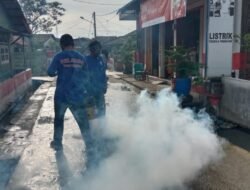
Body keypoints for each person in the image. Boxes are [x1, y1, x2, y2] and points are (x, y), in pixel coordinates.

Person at [47, 34, 92, 152]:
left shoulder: (58, 56)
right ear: (73, 44)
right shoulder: (81, 57)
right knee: (83, 121)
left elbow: (50, 72)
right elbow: (86, 77)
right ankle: (90, 145)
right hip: (78, 95)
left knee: (59, 120)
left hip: (61, 95)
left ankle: (57, 143)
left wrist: (58, 72)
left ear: (61, 45)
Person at [86, 40, 108, 117]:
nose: (98, 50)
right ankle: (92, 128)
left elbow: (103, 74)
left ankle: (102, 128)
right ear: (91, 49)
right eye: (96, 48)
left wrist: (105, 85)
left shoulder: (101, 59)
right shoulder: (85, 60)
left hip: (100, 92)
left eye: (99, 48)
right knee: (91, 115)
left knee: (102, 113)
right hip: (89, 93)